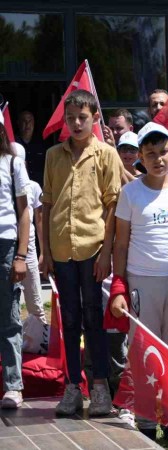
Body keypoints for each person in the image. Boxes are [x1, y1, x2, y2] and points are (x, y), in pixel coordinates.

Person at [108, 122, 168, 442]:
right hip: (141, 283)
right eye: (151, 154)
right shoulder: (130, 193)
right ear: (141, 158)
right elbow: (120, 244)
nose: (158, 159)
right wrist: (119, 286)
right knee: (144, 352)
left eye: (163, 152)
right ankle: (146, 422)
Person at [40, 89, 120, 417]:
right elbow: (47, 204)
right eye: (70, 118)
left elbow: (113, 206)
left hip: (92, 248)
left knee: (93, 318)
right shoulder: (53, 155)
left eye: (82, 118)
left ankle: (100, 386)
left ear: (95, 118)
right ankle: (73, 386)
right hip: (61, 250)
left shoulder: (106, 155)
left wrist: (106, 253)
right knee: (70, 319)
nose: (76, 124)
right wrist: (45, 252)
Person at [0, 114, 30, 409]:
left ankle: (13, 386)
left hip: (5, 245)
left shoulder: (12, 163)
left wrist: (21, 255)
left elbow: (24, 212)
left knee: (8, 317)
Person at [11, 144, 45, 326]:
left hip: (29, 250)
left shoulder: (33, 187)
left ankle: (39, 337)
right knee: (8, 303)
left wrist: (44, 252)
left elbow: (39, 222)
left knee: (35, 301)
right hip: (7, 247)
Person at [15, 111, 46, 184]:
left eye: (30, 120)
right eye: (24, 121)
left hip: (40, 186)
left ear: (34, 122)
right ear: (18, 123)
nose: (27, 124)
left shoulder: (41, 144)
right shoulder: (13, 144)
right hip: (20, 186)